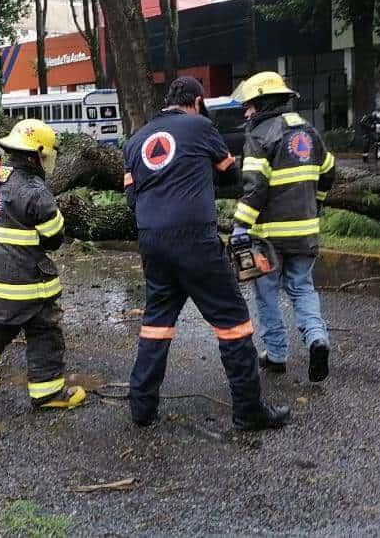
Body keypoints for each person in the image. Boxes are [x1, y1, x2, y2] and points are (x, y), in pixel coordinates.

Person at [122, 77, 289, 431]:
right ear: (197, 102)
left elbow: (131, 198)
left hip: (152, 239)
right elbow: (231, 175)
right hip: (194, 237)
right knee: (232, 321)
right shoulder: (200, 127)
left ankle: (141, 408)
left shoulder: (135, 140)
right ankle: (248, 410)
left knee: (156, 324)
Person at [0, 119, 85, 410]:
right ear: (36, 154)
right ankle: (48, 393)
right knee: (45, 328)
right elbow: (53, 239)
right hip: (26, 281)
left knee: (6, 319)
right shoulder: (36, 191)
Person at [230, 71, 336, 382]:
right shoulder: (308, 131)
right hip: (304, 232)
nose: (246, 112)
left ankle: (276, 354)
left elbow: (255, 189)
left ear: (263, 103)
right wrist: (316, 203)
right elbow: (328, 171)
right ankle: (317, 338)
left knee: (266, 292)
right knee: (302, 287)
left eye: (249, 105)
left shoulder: (260, 136)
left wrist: (240, 226)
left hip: (269, 237)